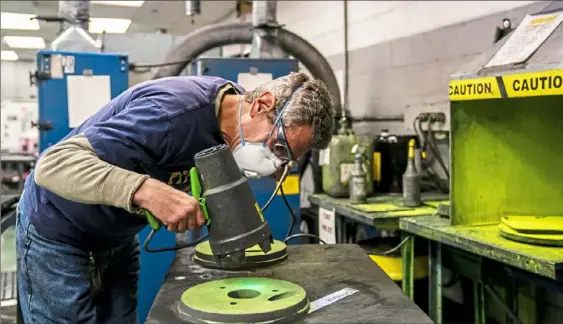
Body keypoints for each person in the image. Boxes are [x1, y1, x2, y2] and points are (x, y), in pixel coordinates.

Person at [16, 72, 334, 323]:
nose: (276, 163)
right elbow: (53, 165)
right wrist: (147, 190)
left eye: (287, 158)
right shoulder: (170, 113)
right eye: (279, 148)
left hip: (117, 236)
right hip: (59, 229)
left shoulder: (234, 120)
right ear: (261, 104)